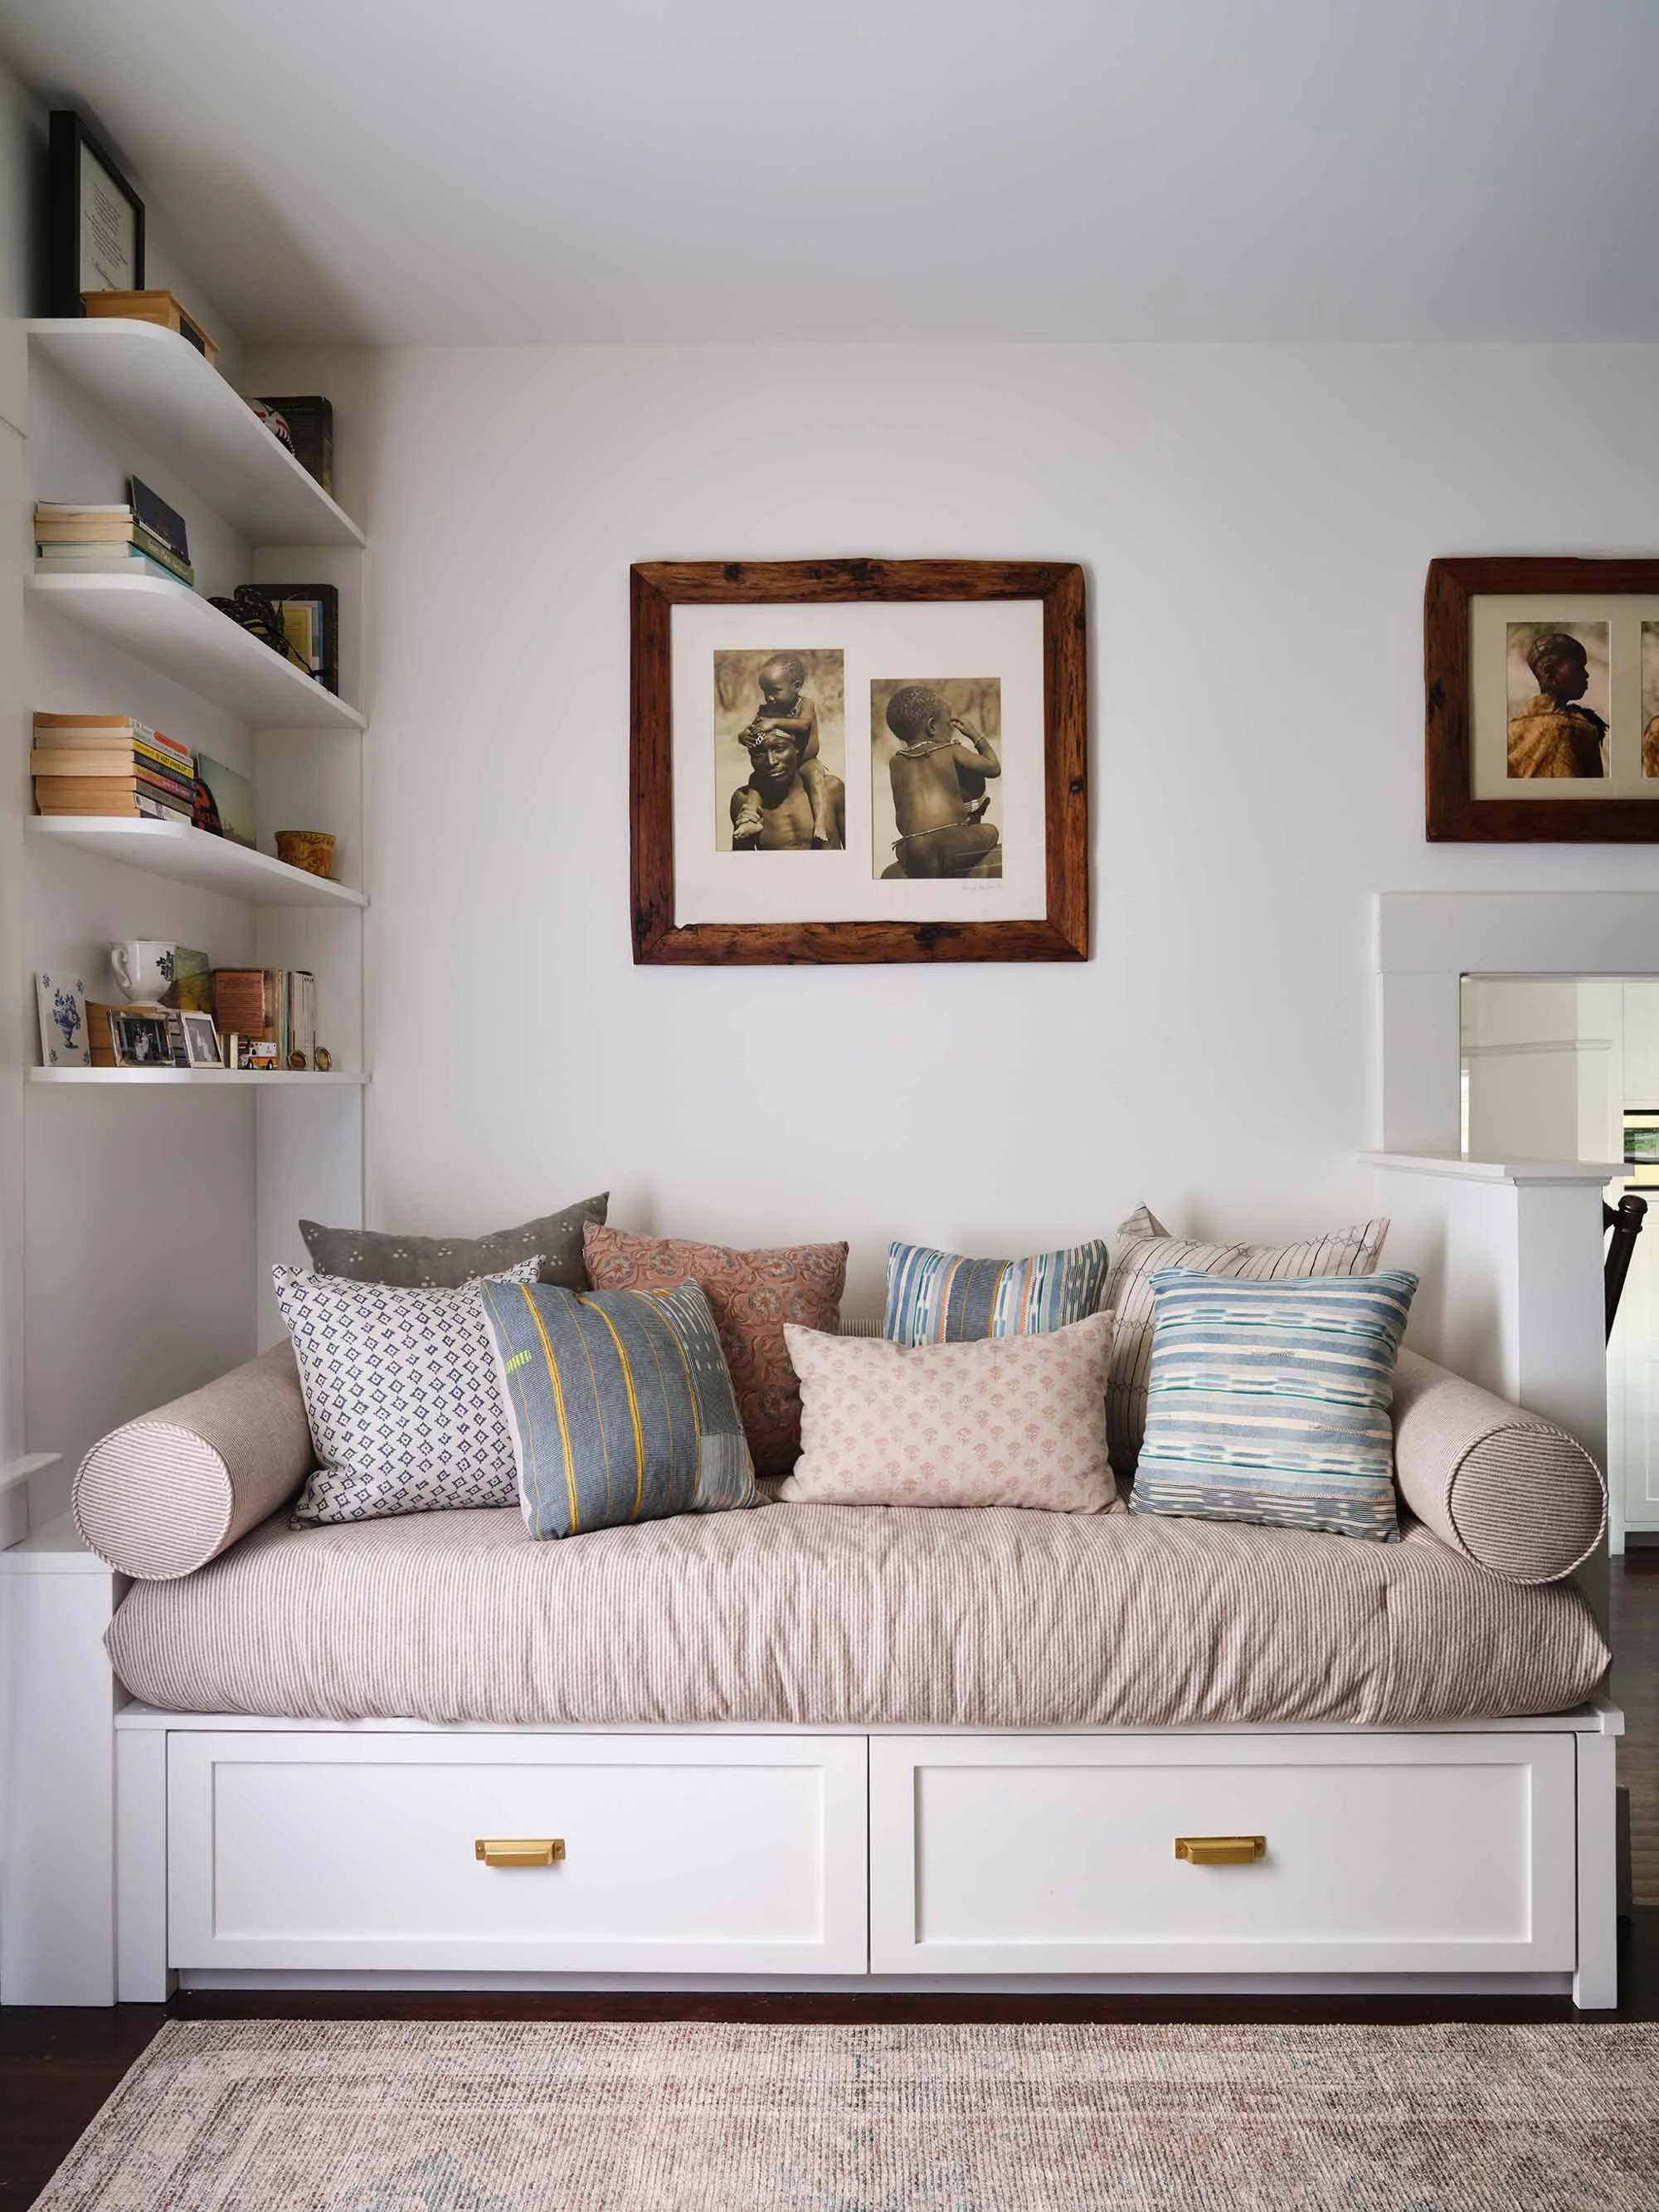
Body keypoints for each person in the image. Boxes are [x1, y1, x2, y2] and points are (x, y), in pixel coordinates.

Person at [881, 685, 1001, 878]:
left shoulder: (895, 762)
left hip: (915, 853)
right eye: (949, 723)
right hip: (954, 846)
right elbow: (994, 768)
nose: (952, 729)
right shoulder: (951, 750)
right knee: (991, 831)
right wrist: (975, 735)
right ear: (932, 726)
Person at [733, 655, 836, 847]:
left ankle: (821, 823)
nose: (769, 697)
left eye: (775, 691)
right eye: (765, 692)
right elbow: (756, 729)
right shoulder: (768, 709)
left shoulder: (805, 704)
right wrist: (743, 735)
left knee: (815, 777)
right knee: (756, 780)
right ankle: (750, 819)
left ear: (796, 686)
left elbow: (804, 725)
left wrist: (774, 722)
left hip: (806, 760)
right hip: (785, 763)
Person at [730, 720, 844, 851]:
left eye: (779, 749)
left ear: (797, 747)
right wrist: (742, 837)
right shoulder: (744, 801)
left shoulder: (831, 790)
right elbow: (741, 860)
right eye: (759, 753)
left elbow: (857, 853)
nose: (771, 762)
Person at [1507, 632, 1608, 778]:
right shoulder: (1577, 728)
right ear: (1549, 672)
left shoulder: (1512, 729)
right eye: (1578, 668)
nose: (1586, 675)